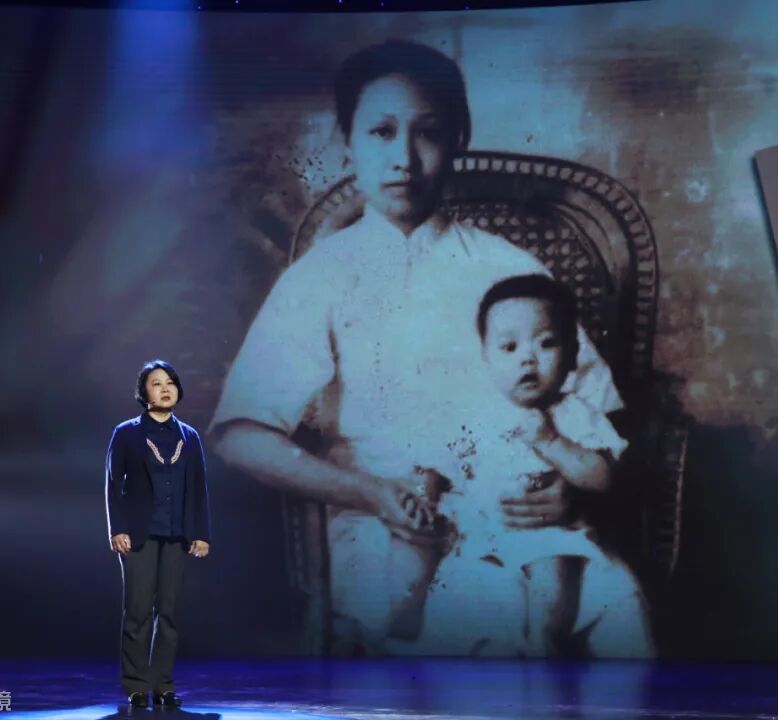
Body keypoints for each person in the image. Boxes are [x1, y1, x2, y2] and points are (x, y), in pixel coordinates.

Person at [208, 39, 637, 654]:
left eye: (429, 133)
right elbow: (239, 434)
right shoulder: (320, 276)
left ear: (459, 139)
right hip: (389, 526)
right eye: (381, 133)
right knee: (470, 623)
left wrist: (566, 488)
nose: (404, 159)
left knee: (618, 614)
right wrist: (366, 493)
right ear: (348, 143)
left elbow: (595, 416)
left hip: (518, 516)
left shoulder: (510, 268)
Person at [403, 274, 653, 658]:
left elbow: (602, 476)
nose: (528, 357)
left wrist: (552, 442)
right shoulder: (473, 416)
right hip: (484, 540)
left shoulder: (574, 414)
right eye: (509, 346)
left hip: (552, 534)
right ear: (486, 357)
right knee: (466, 611)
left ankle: (546, 643)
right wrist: (423, 494)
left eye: (546, 343)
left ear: (572, 356)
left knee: (552, 582)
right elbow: (434, 465)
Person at [105, 360, 212, 708]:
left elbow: (199, 488)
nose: (165, 388)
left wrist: (201, 533)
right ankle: (136, 685)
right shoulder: (126, 433)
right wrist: (117, 528)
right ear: (144, 392)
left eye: (170, 382)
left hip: (177, 534)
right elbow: (112, 485)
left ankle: (163, 684)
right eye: (156, 383)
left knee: (169, 614)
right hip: (139, 535)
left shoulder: (189, 437)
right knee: (137, 612)